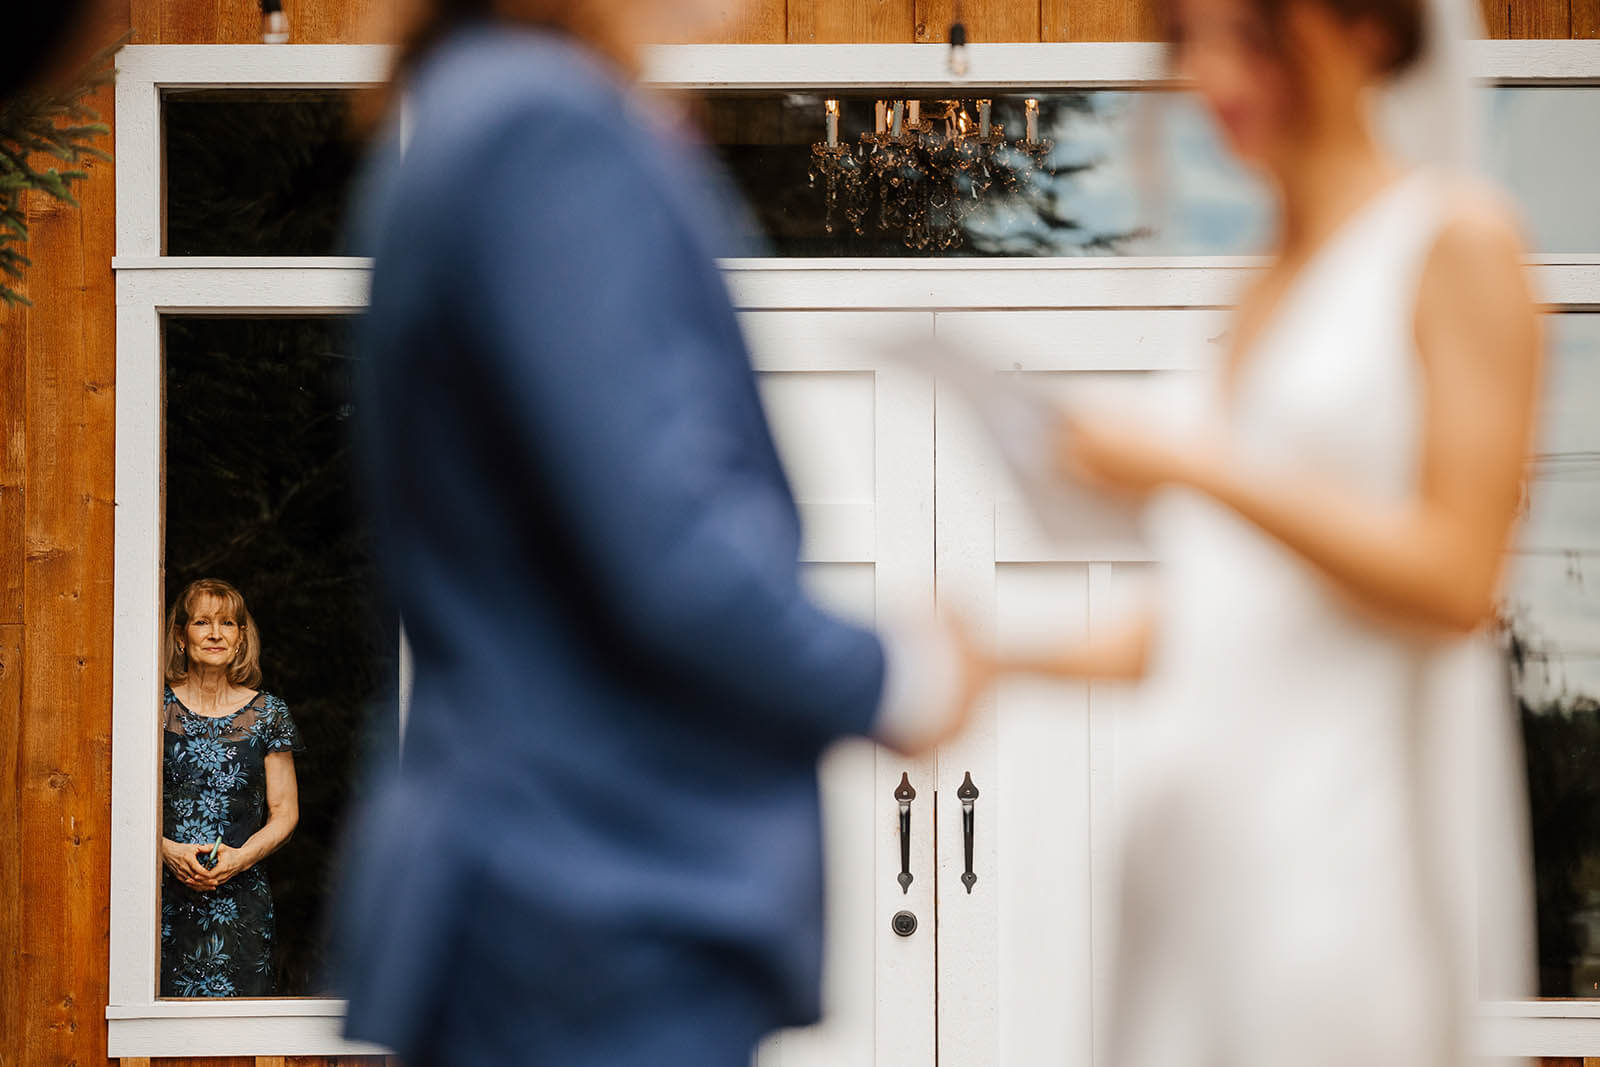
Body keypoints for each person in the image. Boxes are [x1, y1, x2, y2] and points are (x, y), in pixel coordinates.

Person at [331, 2, 978, 1064]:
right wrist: (894, 675)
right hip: (594, 897)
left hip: (551, 894)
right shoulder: (549, 128)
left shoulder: (463, 113)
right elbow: (668, 547)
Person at [960, 0, 1542, 1063]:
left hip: (1337, 855)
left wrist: (1189, 464)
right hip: (1192, 846)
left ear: (1366, 28)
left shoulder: (1455, 241)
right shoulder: (1262, 286)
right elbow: (1228, 614)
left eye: (1252, 33)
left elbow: (1458, 576)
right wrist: (1001, 656)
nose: (1213, 72)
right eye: (1188, 37)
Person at [160, 578, 303, 997]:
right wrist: (165, 850)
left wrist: (239, 860)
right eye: (202, 622)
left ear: (241, 639)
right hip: (161, 897)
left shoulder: (269, 713)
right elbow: (118, 801)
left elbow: (286, 814)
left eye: (227, 623)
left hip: (240, 901)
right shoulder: (152, 707)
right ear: (181, 637)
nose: (215, 633)